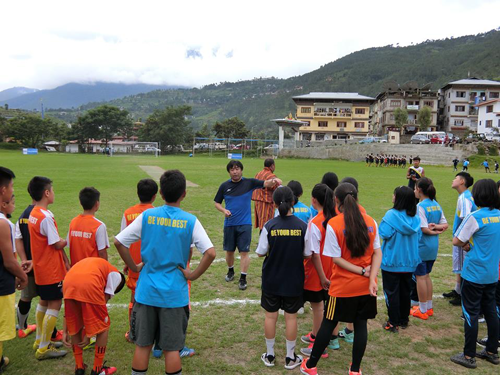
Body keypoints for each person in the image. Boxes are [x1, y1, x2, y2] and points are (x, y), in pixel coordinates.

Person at [115, 169, 216, 375]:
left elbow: (119, 242)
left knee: (142, 346)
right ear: (184, 194)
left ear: (160, 193)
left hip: (146, 292)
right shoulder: (190, 220)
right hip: (174, 295)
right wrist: (192, 274)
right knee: (172, 349)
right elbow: (211, 253)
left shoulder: (148, 215)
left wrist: (134, 267)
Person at [300, 183, 382, 375]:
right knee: (361, 325)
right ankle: (355, 370)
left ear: (336, 200)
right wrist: (370, 278)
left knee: (328, 324)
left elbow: (336, 258)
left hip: (342, 286)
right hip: (365, 287)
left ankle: (311, 365)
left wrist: (364, 274)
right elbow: (378, 253)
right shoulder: (371, 221)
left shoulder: (334, 224)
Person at [256, 186, 309, 370]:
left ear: (274, 202)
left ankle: (270, 356)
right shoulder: (303, 226)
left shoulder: (269, 225)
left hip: (272, 279)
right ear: (293, 202)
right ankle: (289, 357)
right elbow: (307, 253)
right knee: (291, 317)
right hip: (293, 279)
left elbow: (260, 252)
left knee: (270, 317)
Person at [450, 179, 500, 369]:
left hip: (474, 273)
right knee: (491, 312)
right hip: (491, 273)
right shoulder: (499, 215)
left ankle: (469, 355)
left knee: (470, 312)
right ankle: (491, 351)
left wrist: (467, 245)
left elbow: (456, 240)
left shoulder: (475, 216)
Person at [214, 160, 280, 290]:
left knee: (244, 252)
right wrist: (223, 210)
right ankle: (231, 270)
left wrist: (275, 180)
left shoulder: (249, 183)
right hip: (229, 224)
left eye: (237, 169)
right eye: (232, 169)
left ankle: (243, 278)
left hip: (245, 224)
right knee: (229, 251)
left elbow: (266, 183)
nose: (235, 172)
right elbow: (217, 203)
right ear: (229, 172)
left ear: (241, 170)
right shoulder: (224, 186)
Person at [28, 176, 69, 360]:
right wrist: (68, 239)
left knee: (44, 301)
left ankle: (39, 340)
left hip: (40, 267)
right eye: (51, 189)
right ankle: (44, 348)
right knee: (55, 303)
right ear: (46, 193)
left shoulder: (33, 213)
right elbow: (56, 244)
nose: (53, 192)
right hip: (52, 269)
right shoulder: (45, 216)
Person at [63, 257, 125, 375]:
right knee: (103, 326)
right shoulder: (116, 276)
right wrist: (88, 334)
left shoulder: (99, 266)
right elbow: (99, 314)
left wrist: (65, 330)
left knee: (75, 320)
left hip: (68, 281)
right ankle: (97, 369)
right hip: (89, 283)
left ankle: (79, 367)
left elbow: (69, 314)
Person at [15, 194, 64, 343]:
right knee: (51, 300)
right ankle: (48, 339)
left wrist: (24, 259)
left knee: (27, 297)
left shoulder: (23, 215)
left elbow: (18, 238)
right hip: (43, 265)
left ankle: (23, 327)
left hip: (29, 264)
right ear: (46, 193)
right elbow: (55, 243)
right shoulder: (42, 215)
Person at [300, 184, 335, 358]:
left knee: (318, 307)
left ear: (314, 200)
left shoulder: (315, 222)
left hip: (318, 272)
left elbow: (313, 254)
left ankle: (319, 346)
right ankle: (315, 335)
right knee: (325, 305)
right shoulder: (335, 217)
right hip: (333, 269)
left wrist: (321, 277)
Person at [120, 179, 158, 342]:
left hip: (134, 264)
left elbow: (122, 240)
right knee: (154, 299)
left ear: (138, 193)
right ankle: (153, 332)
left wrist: (127, 262)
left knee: (134, 299)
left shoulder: (128, 213)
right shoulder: (157, 213)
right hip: (151, 265)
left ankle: (133, 332)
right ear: (155, 196)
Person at [380, 186, 421, 333]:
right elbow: (419, 237)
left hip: (392, 262)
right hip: (409, 262)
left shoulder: (391, 215)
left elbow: (384, 233)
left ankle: (393, 322)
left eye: (394, 194)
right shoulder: (416, 218)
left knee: (391, 293)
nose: (392, 196)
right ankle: (404, 319)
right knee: (405, 292)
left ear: (399, 199)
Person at [0, 167, 28, 372]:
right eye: (11, 187)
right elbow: (9, 261)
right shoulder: (3, 224)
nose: (12, 191)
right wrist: (22, 276)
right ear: (3, 190)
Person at [411, 178, 448, 320]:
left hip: (422, 246)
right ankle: (428, 307)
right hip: (433, 247)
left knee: (421, 277)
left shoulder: (420, 206)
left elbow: (424, 229)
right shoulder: (436, 205)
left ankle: (422, 309)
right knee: (426, 276)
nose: (414, 191)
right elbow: (444, 225)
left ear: (419, 190)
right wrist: (437, 228)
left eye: (415, 188)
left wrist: (432, 230)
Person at [443, 172, 477, 306]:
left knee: (462, 267)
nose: (453, 180)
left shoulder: (464, 198)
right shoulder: (465, 196)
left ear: (462, 181)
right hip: (461, 238)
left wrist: (465, 241)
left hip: (462, 240)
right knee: (459, 266)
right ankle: (458, 291)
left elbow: (466, 220)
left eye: (456, 178)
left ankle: (462, 295)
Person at [67, 187, 109, 266]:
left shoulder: (73, 222)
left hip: (75, 270)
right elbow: (102, 252)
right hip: (92, 271)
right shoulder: (99, 226)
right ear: (97, 204)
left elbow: (70, 245)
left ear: (80, 202)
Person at [252, 158, 279, 231]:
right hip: (266, 202)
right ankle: (264, 242)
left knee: (262, 224)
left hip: (257, 202)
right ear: (272, 165)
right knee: (266, 225)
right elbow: (276, 187)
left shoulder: (258, 174)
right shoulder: (271, 176)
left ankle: (261, 241)